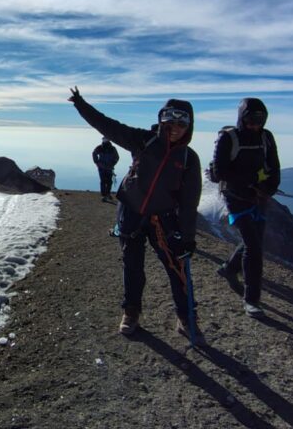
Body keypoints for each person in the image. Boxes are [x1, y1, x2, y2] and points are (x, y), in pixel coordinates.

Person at [68, 87, 205, 343]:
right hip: (131, 213)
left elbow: (189, 201)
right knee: (132, 267)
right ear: (161, 121)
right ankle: (131, 312)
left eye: (181, 123)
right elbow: (108, 126)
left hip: (162, 219)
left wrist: (187, 237)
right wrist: (80, 104)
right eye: (169, 121)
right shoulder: (144, 140)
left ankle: (186, 317)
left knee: (176, 269)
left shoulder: (188, 158)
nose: (175, 127)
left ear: (189, 126)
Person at [213, 98, 281, 317]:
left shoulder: (266, 137)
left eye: (259, 121)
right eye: (250, 120)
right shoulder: (228, 138)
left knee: (254, 241)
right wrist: (251, 181)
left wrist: (269, 189)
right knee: (254, 247)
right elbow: (219, 172)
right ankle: (252, 300)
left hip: (258, 197)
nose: (254, 125)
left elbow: (274, 165)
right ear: (242, 118)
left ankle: (229, 268)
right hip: (235, 197)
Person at [92, 137, 120, 203]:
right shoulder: (99, 147)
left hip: (109, 168)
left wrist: (113, 164)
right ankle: (103, 195)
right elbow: (94, 153)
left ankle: (108, 194)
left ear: (109, 140)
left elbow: (117, 157)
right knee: (103, 181)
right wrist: (96, 162)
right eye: (104, 139)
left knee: (109, 182)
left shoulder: (113, 148)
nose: (105, 140)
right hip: (101, 168)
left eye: (106, 139)